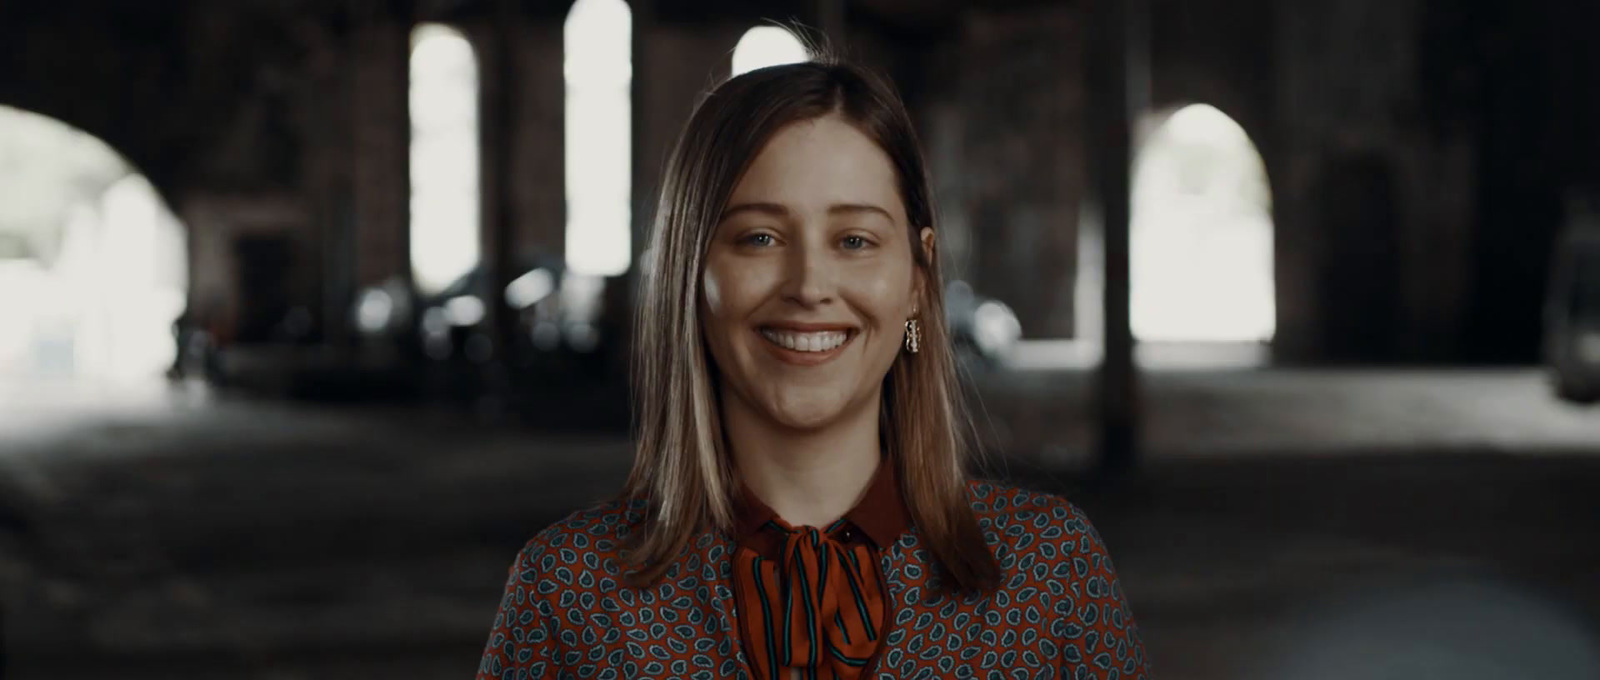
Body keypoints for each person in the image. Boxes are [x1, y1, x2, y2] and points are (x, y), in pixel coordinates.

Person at [477, 58, 1151, 680]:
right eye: (760, 238)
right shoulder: (567, 591)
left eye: (854, 240)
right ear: (691, 271)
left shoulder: (1052, 570)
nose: (809, 285)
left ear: (918, 277)